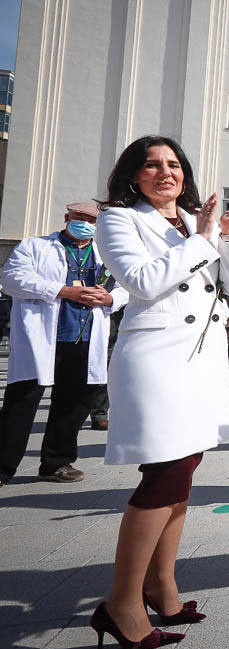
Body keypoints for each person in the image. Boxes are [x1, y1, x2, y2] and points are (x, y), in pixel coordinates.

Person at [92, 135, 229, 649]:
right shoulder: (119, 219)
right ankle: (121, 604)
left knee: (184, 469)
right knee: (162, 475)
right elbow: (141, 282)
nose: (166, 173)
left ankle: (162, 586)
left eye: (174, 164)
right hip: (157, 359)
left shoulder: (191, 222)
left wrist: (223, 237)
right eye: (153, 165)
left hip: (198, 361)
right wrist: (203, 238)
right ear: (133, 176)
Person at [0, 202, 129, 486]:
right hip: (43, 337)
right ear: (66, 219)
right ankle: (3, 466)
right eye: (78, 218)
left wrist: (110, 299)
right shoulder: (35, 247)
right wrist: (63, 290)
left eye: (90, 220)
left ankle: (56, 463)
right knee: (21, 402)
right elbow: (11, 279)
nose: (84, 223)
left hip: (83, 337)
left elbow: (125, 288)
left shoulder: (105, 255)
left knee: (73, 403)